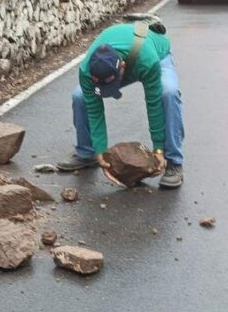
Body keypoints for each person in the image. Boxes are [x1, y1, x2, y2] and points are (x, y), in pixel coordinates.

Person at [56, 21, 185, 188]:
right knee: (79, 96)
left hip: (156, 54)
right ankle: (87, 153)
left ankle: (174, 161)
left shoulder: (147, 60)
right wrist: (101, 151)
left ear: (122, 68)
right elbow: (95, 110)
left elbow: (153, 105)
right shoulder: (87, 70)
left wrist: (158, 149)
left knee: (168, 92)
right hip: (114, 64)